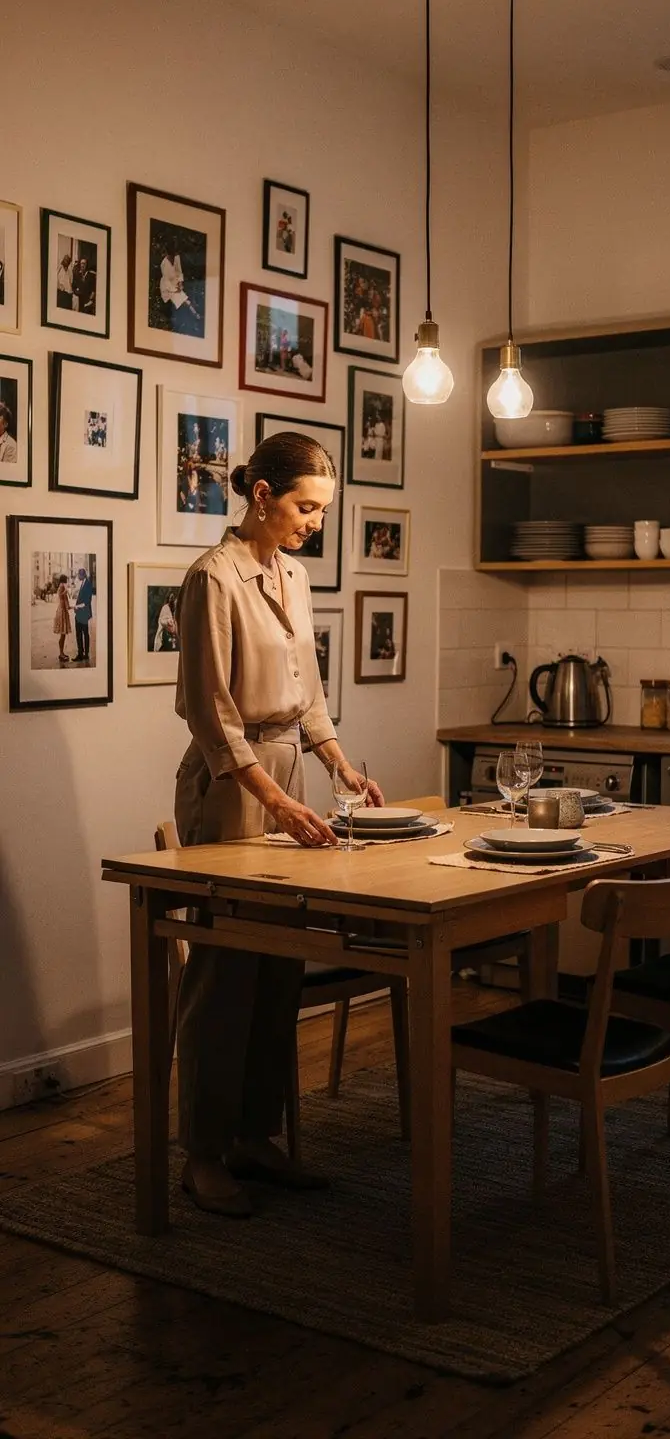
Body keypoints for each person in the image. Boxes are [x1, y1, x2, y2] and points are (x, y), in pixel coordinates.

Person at [174, 431, 385, 1217]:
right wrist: (275, 798)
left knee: (280, 967)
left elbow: (310, 696)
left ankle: (256, 1137)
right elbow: (211, 713)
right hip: (231, 787)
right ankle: (201, 1153)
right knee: (225, 971)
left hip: (289, 773)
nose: (313, 524)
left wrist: (340, 767)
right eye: (304, 507)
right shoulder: (211, 579)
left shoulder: (293, 575)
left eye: (321, 511)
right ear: (260, 496)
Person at [159, 239, 200, 322]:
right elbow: (166, 281)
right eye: (171, 254)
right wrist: (175, 290)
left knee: (187, 299)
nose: (173, 256)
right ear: (167, 253)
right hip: (168, 289)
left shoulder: (177, 257)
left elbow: (179, 271)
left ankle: (195, 315)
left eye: (174, 253)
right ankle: (195, 315)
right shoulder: (164, 264)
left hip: (177, 284)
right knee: (185, 301)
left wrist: (180, 283)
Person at [73, 567, 93, 662]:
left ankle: (84, 654)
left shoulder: (88, 584)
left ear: (82, 575)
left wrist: (77, 607)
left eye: (78, 574)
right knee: (81, 633)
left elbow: (87, 601)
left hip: (83, 613)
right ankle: (82, 653)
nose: (77, 576)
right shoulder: (84, 583)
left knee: (83, 633)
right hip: (81, 613)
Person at [53, 574, 72, 662]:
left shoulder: (62, 586)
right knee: (62, 633)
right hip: (62, 611)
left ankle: (62, 652)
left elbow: (65, 600)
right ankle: (61, 653)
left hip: (62, 610)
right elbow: (62, 597)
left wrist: (69, 606)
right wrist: (66, 591)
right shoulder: (62, 586)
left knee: (63, 634)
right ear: (64, 580)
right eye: (66, 579)